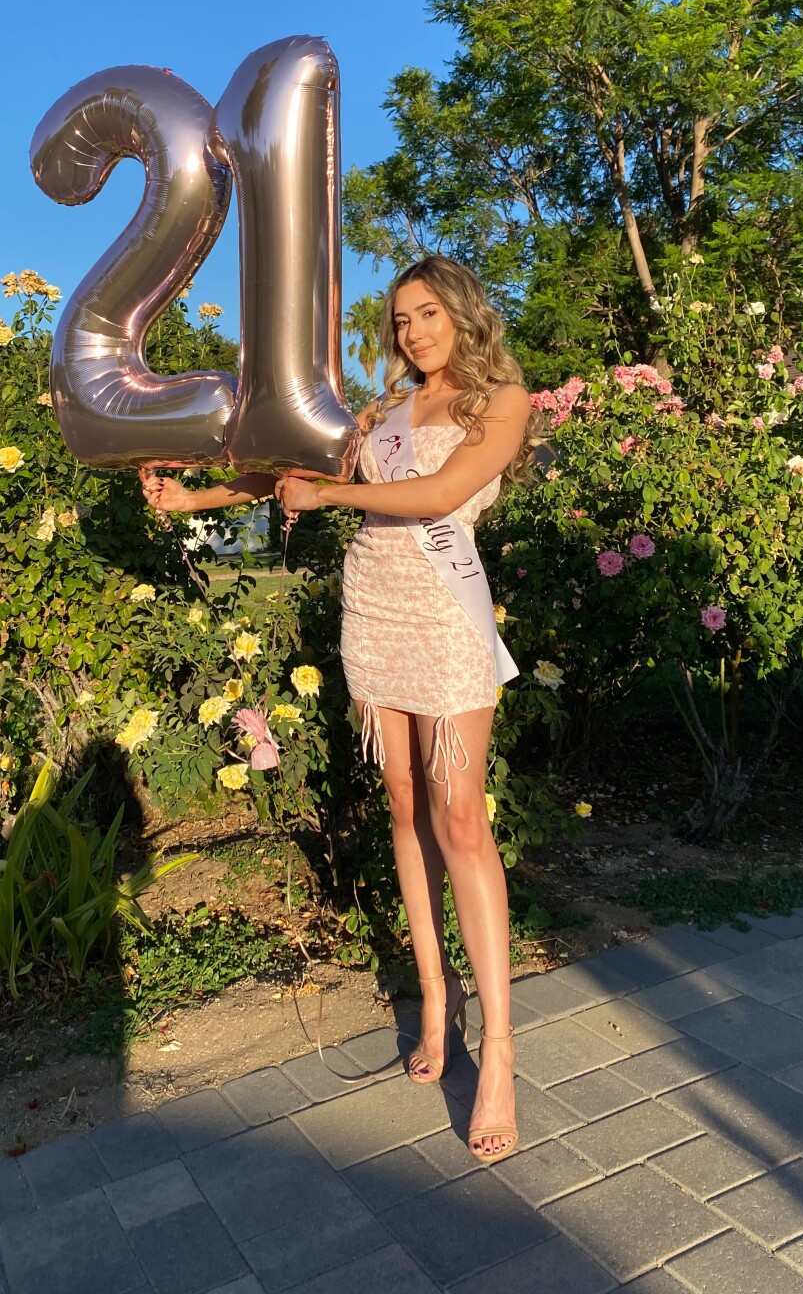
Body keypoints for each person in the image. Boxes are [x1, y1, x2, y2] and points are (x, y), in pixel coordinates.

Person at [141, 256, 536, 1162]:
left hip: (445, 619)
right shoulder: (381, 413)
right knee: (403, 806)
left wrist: (330, 496)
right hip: (374, 612)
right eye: (401, 320)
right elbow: (286, 475)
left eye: (427, 314)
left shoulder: (501, 401)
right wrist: (193, 494)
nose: (413, 333)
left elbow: (439, 495)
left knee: (461, 818)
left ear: (463, 313)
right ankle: (435, 999)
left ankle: (502, 1047)